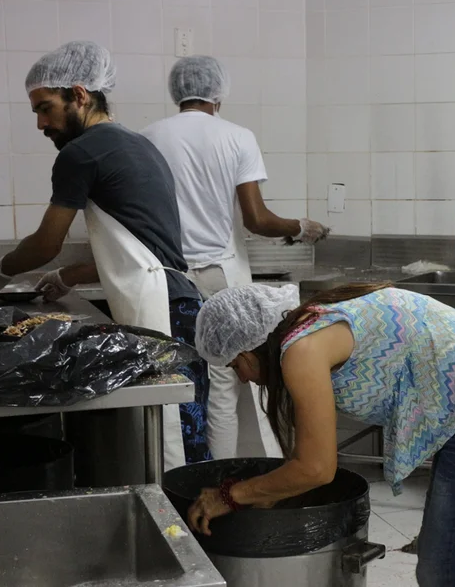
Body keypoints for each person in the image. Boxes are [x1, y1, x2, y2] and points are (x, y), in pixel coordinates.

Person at [186, 283, 455, 587]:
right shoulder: (313, 323)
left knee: (442, 569)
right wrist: (265, 492)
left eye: (236, 365)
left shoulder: (301, 349)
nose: (242, 378)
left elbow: (316, 469)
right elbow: (306, 460)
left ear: (252, 345)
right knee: (441, 562)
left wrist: (232, 496)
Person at [0, 41, 210, 469]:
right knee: (185, 433)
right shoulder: (135, 144)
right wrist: (70, 276)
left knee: (170, 436)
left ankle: (184, 528)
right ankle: (192, 524)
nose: (41, 123)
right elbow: (142, 250)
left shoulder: (81, 153)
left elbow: (46, 242)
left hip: (164, 310)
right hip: (183, 304)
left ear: (79, 95)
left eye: (46, 108)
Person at [141, 55, 329, 461]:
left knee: (172, 381)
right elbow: (258, 220)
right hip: (223, 277)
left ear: (176, 91)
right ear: (218, 93)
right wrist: (299, 227)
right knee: (225, 385)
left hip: (168, 279)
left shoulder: (149, 138)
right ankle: (224, 479)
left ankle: (176, 476)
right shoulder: (237, 136)